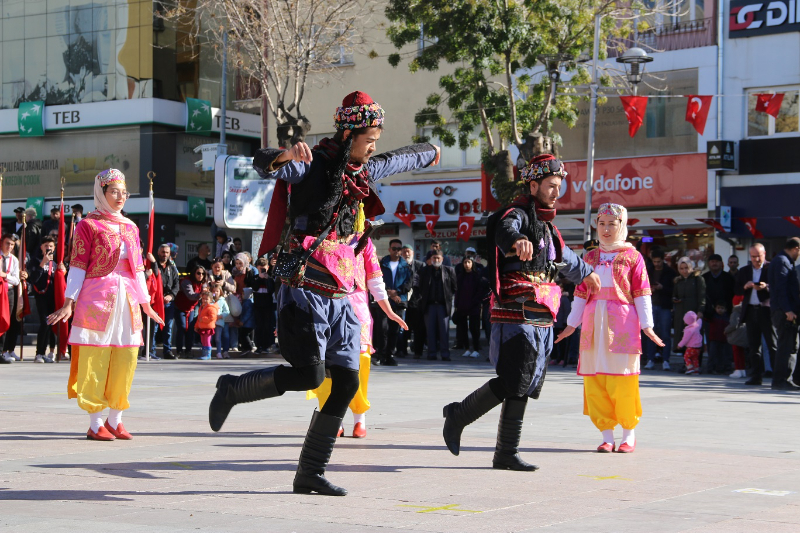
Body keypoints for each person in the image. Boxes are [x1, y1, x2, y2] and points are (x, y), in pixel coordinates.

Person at [208, 90, 439, 496]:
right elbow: (265, 164)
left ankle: (309, 472)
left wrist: (431, 151)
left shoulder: (363, 168)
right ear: (349, 133)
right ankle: (232, 388)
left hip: (343, 290)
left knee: (347, 382)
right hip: (306, 286)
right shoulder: (310, 163)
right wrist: (284, 156)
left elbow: (401, 158)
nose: (373, 147)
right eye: (369, 139)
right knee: (308, 375)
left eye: (375, 141)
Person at [442, 154, 599, 470]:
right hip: (514, 313)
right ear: (534, 184)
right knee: (514, 379)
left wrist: (588, 274)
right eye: (551, 186)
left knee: (526, 382)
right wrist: (518, 240)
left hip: (542, 314)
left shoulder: (549, 227)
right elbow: (504, 230)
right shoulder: (516, 214)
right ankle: (458, 414)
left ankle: (506, 453)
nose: (556, 192)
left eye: (559, 186)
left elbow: (567, 258)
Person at [46, 169, 163, 441]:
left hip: (128, 300)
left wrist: (146, 304)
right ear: (101, 192)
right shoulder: (88, 225)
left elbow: (137, 269)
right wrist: (68, 301)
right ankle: (95, 421)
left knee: (126, 357)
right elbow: (77, 267)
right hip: (96, 298)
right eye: (114, 192)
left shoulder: (131, 227)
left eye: (124, 193)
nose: (120, 197)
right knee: (95, 358)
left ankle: (115, 419)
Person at [558, 203, 662, 453]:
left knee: (623, 381)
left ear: (622, 225)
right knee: (596, 382)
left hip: (622, 325)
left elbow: (642, 293)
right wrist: (571, 324)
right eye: (601, 224)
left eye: (611, 224)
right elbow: (581, 294)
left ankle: (628, 434)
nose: (605, 229)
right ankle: (606, 435)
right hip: (593, 326)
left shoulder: (633, 257)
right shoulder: (590, 257)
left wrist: (648, 326)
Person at [308, 212, 403, 438]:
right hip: (325, 305)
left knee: (360, 364)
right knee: (324, 366)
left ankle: (360, 418)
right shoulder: (320, 238)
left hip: (357, 308)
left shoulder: (364, 241)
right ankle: (331, 418)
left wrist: (388, 310)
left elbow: (375, 279)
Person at [734, 243, 777, 386]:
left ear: (764, 254)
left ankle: (777, 376)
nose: (756, 259)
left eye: (758, 256)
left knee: (772, 344)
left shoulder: (771, 268)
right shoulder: (744, 271)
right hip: (751, 310)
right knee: (754, 346)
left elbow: (778, 287)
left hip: (766, 310)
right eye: (753, 257)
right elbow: (736, 288)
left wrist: (766, 287)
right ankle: (755, 376)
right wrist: (745, 286)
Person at [767, 237, 800, 390]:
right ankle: (780, 380)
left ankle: (784, 379)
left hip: (784, 311)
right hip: (784, 312)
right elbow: (781, 289)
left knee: (789, 346)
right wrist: (788, 310)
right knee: (785, 346)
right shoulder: (782, 262)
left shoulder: (782, 260)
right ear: (796, 248)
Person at [372, 238, 411, 366]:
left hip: (399, 301)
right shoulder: (382, 263)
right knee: (382, 329)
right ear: (389, 249)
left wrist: (397, 293)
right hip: (384, 300)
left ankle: (389, 355)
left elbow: (409, 283)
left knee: (394, 330)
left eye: (399, 249)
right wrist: (389, 292)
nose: (397, 251)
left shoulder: (405, 265)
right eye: (394, 249)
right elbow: (377, 279)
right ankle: (380, 354)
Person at [28, 236, 62, 363]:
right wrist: (43, 262)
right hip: (41, 296)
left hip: (53, 296)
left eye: (51, 246)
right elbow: (33, 279)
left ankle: (51, 352)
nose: (49, 248)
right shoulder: (35, 260)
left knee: (52, 324)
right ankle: (39, 353)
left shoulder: (56, 263)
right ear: (41, 247)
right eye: (46, 246)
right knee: (44, 322)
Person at [419, 250, 457, 361]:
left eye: (438, 258)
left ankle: (445, 354)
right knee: (430, 331)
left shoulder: (449, 271)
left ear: (442, 259)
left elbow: (454, 287)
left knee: (444, 331)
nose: (436, 260)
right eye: (434, 258)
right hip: (429, 305)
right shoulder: (424, 271)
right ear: (430, 259)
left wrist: (449, 298)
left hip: (443, 305)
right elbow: (420, 287)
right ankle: (431, 354)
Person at [644, 248, 676, 370]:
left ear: (663, 260)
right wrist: (649, 290)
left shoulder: (670, 272)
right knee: (651, 333)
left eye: (658, 261)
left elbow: (674, 290)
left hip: (664, 306)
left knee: (665, 334)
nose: (656, 264)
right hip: (651, 305)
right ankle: (650, 359)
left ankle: (665, 360)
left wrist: (662, 288)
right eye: (655, 261)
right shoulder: (648, 270)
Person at [672, 257, 706, 362]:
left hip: (693, 313)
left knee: (694, 339)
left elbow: (702, 296)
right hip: (681, 313)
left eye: (686, 268)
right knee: (683, 337)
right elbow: (674, 295)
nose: (684, 271)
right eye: (681, 268)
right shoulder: (678, 281)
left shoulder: (698, 279)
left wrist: (701, 310)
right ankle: (686, 363)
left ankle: (697, 364)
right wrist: (675, 299)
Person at [151, 244, 180, 359]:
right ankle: (151, 351)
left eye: (167, 252)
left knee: (168, 328)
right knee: (154, 328)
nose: (165, 255)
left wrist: (171, 296)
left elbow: (176, 284)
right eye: (163, 252)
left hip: (168, 302)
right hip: (156, 301)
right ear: (158, 253)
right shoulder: (154, 266)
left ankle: (167, 351)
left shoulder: (172, 267)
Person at [454, 257, 487, 358]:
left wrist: (475, 302)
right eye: (465, 262)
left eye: (468, 262)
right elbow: (457, 292)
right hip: (462, 306)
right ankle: (467, 348)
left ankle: (476, 349)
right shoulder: (460, 277)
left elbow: (480, 292)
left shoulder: (477, 276)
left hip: (474, 306)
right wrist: (456, 305)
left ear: (472, 264)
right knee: (463, 329)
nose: (467, 264)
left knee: (474, 328)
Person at [0, 234, 24, 363]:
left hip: (8, 292)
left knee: (5, 320)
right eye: (7, 243)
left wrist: (4, 275)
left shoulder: (14, 260)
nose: (9, 247)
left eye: (12, 244)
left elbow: (15, 280)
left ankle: (3, 351)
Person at [174, 266, 207, 357]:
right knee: (182, 328)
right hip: (180, 307)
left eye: (203, 274)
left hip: (191, 308)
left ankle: (188, 351)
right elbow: (191, 295)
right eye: (198, 273)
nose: (201, 275)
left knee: (190, 330)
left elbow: (206, 292)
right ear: (194, 273)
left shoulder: (203, 283)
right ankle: (179, 351)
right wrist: (201, 294)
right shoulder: (187, 281)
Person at [399, 244, 426, 358]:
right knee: (403, 328)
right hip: (402, 300)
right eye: (404, 252)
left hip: (417, 301)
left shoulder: (420, 266)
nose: (407, 254)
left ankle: (418, 351)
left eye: (408, 251)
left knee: (419, 329)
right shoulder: (399, 266)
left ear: (413, 253)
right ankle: (401, 350)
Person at [231, 253, 257, 354]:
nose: (238, 265)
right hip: (237, 297)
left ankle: (249, 345)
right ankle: (242, 345)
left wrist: (245, 293)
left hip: (246, 296)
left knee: (246, 324)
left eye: (240, 263)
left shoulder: (250, 272)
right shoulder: (233, 272)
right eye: (236, 263)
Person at [252, 257, 276, 353]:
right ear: (257, 267)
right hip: (258, 304)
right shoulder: (255, 277)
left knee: (267, 325)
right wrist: (259, 278)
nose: (262, 269)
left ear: (268, 267)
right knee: (259, 325)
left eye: (264, 267)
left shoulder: (270, 278)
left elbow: (271, 290)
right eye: (260, 267)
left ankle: (266, 346)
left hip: (268, 304)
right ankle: (259, 346)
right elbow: (255, 287)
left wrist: (267, 279)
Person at [725, 298, 749, 378]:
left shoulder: (735, 311)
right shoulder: (745, 310)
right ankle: (742, 370)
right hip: (743, 333)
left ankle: (737, 369)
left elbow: (733, 325)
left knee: (736, 352)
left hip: (736, 335)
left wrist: (726, 330)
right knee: (741, 353)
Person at [706, 302, 731, 375]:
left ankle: (720, 368)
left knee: (722, 355)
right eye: (718, 308)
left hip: (723, 339)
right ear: (715, 309)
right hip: (714, 338)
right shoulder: (712, 316)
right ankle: (710, 368)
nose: (720, 310)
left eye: (722, 308)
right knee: (712, 354)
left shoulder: (727, 317)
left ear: (725, 309)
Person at [676, 311, 704, 375]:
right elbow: (700, 322)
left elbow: (685, 339)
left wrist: (680, 345)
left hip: (691, 347)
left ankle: (690, 368)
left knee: (686, 357)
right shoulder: (697, 326)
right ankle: (696, 369)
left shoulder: (688, 330)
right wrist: (699, 318)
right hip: (698, 347)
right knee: (695, 358)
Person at [194, 290, 218, 360]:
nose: (204, 300)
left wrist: (203, 319)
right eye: (203, 299)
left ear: (210, 299)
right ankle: (204, 353)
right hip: (202, 327)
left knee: (207, 341)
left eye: (206, 299)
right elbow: (198, 318)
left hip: (208, 327)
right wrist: (196, 326)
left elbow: (212, 317)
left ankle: (208, 354)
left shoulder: (211, 308)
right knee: (203, 341)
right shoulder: (201, 307)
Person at [211, 285, 231, 358]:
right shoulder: (210, 300)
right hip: (210, 322)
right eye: (213, 291)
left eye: (217, 291)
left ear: (220, 292)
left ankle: (219, 352)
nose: (215, 293)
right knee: (209, 338)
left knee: (218, 338)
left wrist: (221, 316)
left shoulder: (222, 301)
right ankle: (208, 351)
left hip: (219, 322)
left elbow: (227, 311)